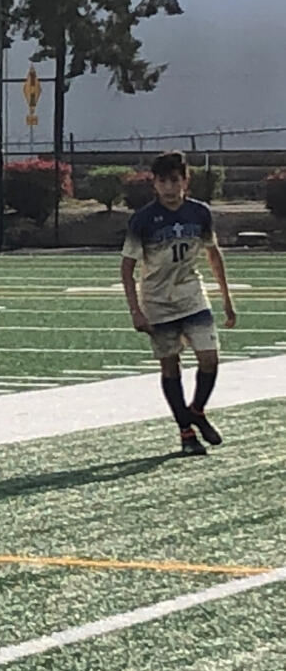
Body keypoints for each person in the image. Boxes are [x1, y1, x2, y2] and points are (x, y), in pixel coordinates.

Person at [120, 150, 237, 455]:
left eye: (175, 180)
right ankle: (185, 432)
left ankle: (196, 410)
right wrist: (135, 310)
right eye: (163, 181)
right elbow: (127, 266)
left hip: (191, 295)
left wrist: (226, 298)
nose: (169, 187)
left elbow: (213, 253)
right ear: (154, 184)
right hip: (158, 300)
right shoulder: (143, 219)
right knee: (170, 365)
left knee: (210, 358)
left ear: (186, 180)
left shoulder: (199, 213)